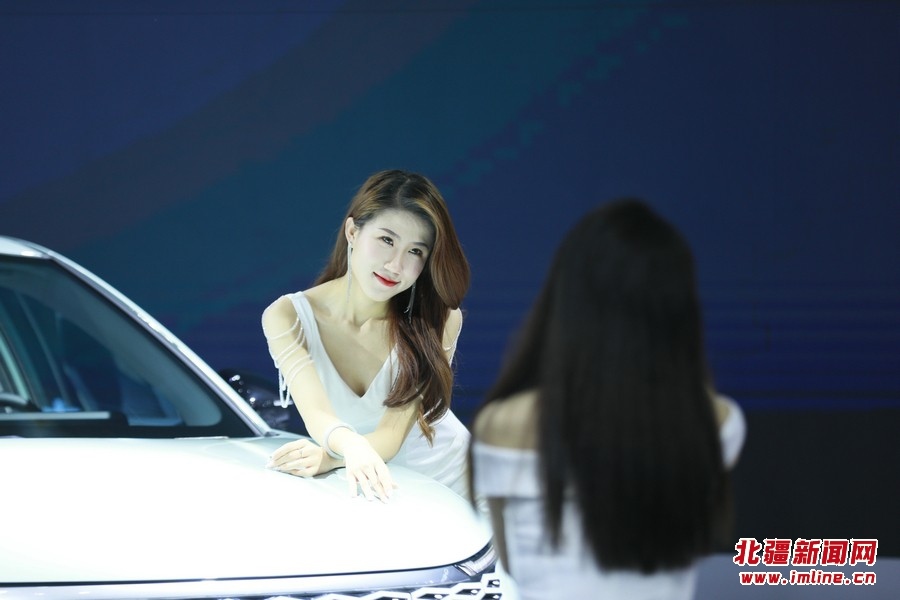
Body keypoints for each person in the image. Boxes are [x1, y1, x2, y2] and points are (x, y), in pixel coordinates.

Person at [470, 199, 746, 599]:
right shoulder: (715, 422)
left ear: (567, 299)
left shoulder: (502, 424)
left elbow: (509, 559)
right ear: (679, 309)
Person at [263, 169, 471, 502]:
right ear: (352, 232)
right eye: (387, 240)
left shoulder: (438, 319)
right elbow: (317, 414)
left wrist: (331, 457)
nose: (395, 266)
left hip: (460, 483)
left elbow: (391, 435)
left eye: (415, 252)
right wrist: (349, 447)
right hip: (377, 486)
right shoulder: (288, 317)